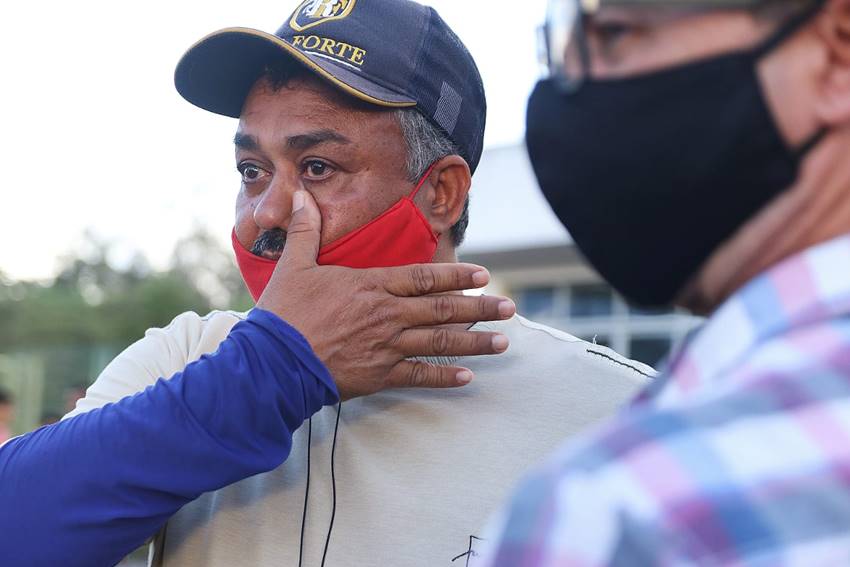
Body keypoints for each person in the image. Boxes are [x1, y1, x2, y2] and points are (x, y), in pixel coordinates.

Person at [60, 1, 651, 566]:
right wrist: (261, 376)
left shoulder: (621, 417)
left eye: (318, 168)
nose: (267, 213)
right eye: (252, 171)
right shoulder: (185, 358)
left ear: (441, 193)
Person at [475, 0, 850, 564]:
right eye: (563, 47)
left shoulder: (619, 516)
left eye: (616, 33)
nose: (566, 96)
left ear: (836, 55)